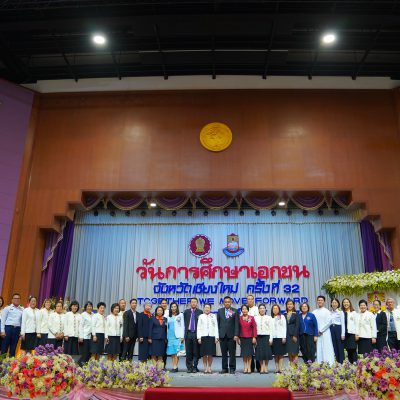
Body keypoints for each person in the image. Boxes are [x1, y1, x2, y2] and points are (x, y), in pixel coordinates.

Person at [217, 296, 239, 374]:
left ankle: (232, 368)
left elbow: (236, 324)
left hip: (232, 336)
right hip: (222, 335)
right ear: (223, 303)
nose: (227, 303)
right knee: (224, 354)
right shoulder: (220, 311)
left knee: (232, 353)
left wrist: (236, 334)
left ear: (231, 303)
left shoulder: (235, 311)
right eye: (225, 302)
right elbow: (218, 324)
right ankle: (224, 368)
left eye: (228, 302)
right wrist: (218, 335)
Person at [312, 295, 335, 365]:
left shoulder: (327, 311)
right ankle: (320, 364)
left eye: (321, 300)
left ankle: (329, 364)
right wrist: (316, 331)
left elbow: (329, 322)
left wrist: (321, 330)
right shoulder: (314, 312)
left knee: (327, 348)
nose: (320, 301)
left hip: (325, 332)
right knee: (319, 348)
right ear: (317, 301)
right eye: (318, 300)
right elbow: (312, 323)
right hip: (317, 333)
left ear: (324, 302)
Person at [197, 303, 219, 373]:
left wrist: (216, 337)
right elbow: (199, 327)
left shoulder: (213, 316)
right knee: (204, 354)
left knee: (210, 354)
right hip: (203, 336)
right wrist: (199, 337)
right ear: (203, 308)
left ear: (210, 309)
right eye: (205, 307)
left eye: (208, 307)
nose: (207, 309)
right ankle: (205, 367)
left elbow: (216, 327)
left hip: (211, 336)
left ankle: (209, 367)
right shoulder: (201, 316)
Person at [1, 293, 24, 357]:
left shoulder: (22, 309)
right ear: (12, 300)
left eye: (18, 298)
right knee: (4, 347)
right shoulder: (7, 308)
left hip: (17, 329)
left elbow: (22, 321)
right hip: (8, 329)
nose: (17, 300)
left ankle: (11, 362)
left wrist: (21, 331)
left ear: (20, 300)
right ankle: (2, 362)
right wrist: (2, 331)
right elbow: (3, 320)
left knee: (13, 348)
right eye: (15, 298)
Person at [183, 297, 203, 373]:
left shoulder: (200, 312)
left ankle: (195, 367)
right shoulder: (186, 312)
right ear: (190, 303)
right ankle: (189, 367)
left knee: (196, 351)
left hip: (196, 334)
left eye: (195, 302)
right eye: (192, 302)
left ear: (197, 303)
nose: (193, 303)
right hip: (188, 333)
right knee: (188, 352)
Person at [254, 304, 273, 374]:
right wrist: (254, 337)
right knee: (260, 353)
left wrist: (271, 339)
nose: (262, 309)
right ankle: (262, 367)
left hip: (266, 336)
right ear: (258, 310)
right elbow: (254, 329)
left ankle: (266, 367)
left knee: (266, 353)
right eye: (260, 308)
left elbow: (271, 329)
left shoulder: (269, 317)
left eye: (263, 308)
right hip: (258, 337)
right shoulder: (255, 318)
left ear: (265, 310)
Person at [166, 302, 184, 372]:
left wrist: (182, 336)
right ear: (170, 308)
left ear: (177, 307)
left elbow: (183, 326)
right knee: (172, 352)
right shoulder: (168, 316)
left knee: (177, 352)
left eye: (174, 307)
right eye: (172, 307)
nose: (173, 308)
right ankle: (174, 365)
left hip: (178, 336)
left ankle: (175, 366)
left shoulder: (180, 315)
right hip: (170, 336)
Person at [239, 304, 257, 374]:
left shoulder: (251, 318)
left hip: (250, 338)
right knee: (244, 354)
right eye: (243, 309)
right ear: (241, 310)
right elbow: (238, 328)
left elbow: (254, 328)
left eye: (246, 309)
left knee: (249, 354)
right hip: (242, 338)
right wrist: (238, 338)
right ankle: (245, 367)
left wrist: (254, 337)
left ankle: (249, 367)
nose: (244, 310)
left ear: (248, 310)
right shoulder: (239, 318)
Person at [246, 294, 260, 372]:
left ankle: (258, 366)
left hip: (256, 332)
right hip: (247, 333)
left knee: (257, 350)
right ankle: (251, 367)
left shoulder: (257, 309)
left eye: (251, 299)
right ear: (247, 300)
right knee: (249, 350)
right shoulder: (244, 309)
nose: (250, 300)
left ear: (253, 300)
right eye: (248, 299)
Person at [341, 298, 358, 364]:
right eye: (344, 302)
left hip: (352, 334)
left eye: (347, 302)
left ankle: (355, 363)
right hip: (345, 334)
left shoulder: (353, 312)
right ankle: (350, 364)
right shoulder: (341, 313)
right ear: (342, 304)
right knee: (348, 350)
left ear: (350, 303)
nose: (346, 304)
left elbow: (356, 324)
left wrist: (357, 334)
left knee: (353, 349)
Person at [271, 304, 286, 373]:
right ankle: (277, 368)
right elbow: (270, 329)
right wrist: (270, 339)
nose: (275, 310)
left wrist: (284, 337)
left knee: (281, 354)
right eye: (274, 308)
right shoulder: (271, 318)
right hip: (274, 338)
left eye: (276, 308)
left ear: (279, 309)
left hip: (280, 337)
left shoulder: (282, 317)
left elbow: (284, 327)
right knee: (275, 354)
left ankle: (281, 368)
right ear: (272, 310)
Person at [78, 301, 93, 366]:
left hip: (91, 337)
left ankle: (86, 367)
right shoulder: (83, 315)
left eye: (90, 306)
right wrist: (81, 336)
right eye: (88, 306)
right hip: (84, 337)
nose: (89, 307)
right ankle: (80, 366)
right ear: (85, 307)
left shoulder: (93, 314)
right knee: (85, 354)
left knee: (90, 353)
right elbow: (80, 326)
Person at [330, 298, 345, 363]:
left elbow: (343, 323)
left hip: (338, 329)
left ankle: (342, 362)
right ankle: (337, 362)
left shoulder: (340, 312)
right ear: (331, 304)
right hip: (332, 329)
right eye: (333, 302)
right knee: (334, 346)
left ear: (338, 304)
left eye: (335, 302)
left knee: (340, 346)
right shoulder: (330, 312)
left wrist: (343, 334)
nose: (334, 304)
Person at [285, 299, 300, 363]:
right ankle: (291, 367)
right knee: (289, 352)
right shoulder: (284, 314)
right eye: (288, 304)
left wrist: (295, 335)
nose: (289, 305)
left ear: (293, 305)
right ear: (286, 305)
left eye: (291, 304)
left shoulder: (296, 314)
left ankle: (296, 367)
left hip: (294, 335)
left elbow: (297, 325)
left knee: (295, 352)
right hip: (287, 336)